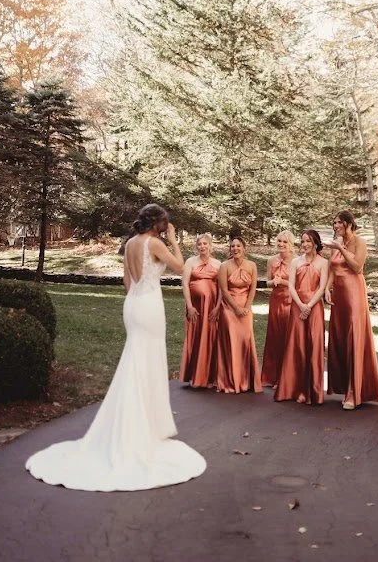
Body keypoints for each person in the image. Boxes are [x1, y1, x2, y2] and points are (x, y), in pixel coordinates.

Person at [26, 204, 206, 490]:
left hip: (133, 303)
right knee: (147, 362)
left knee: (135, 359)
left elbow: (126, 278)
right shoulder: (155, 243)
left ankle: (137, 424)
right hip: (149, 305)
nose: (165, 228)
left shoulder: (131, 242)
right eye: (164, 224)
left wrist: (136, 297)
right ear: (157, 224)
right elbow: (182, 267)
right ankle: (141, 429)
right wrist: (174, 240)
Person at [324, 210, 378, 410]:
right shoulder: (336, 244)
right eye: (334, 223)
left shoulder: (359, 242)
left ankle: (354, 391)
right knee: (340, 337)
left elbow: (357, 267)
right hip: (339, 294)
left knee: (353, 336)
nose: (336, 226)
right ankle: (343, 386)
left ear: (349, 224)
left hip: (354, 293)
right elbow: (333, 270)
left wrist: (340, 248)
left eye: (339, 222)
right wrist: (327, 289)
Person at [274, 230, 328, 405]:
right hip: (297, 306)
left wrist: (309, 306)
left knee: (314, 346)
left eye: (308, 241)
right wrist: (301, 305)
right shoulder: (296, 262)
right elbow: (291, 286)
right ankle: (295, 389)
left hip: (315, 307)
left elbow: (321, 288)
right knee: (297, 346)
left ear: (315, 243)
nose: (305, 244)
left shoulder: (324, 263)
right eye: (303, 241)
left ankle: (313, 391)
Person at [215, 236, 262, 394]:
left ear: (244, 248)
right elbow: (224, 290)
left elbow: (253, 288)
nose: (235, 248)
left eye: (238, 246)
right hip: (229, 308)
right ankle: (230, 380)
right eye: (232, 246)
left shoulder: (252, 265)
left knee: (245, 340)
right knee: (231, 340)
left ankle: (246, 380)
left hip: (246, 307)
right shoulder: (224, 266)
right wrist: (235, 308)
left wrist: (247, 307)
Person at [180, 233, 222, 388]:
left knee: (211, 337)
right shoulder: (190, 261)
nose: (202, 246)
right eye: (199, 244)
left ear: (210, 245)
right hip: (195, 306)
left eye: (205, 244)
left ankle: (209, 377)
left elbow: (222, 288)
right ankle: (194, 375)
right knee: (195, 337)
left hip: (211, 306)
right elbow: (185, 284)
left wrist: (218, 307)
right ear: (196, 246)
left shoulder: (218, 264)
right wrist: (189, 306)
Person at [261, 230, 295, 387]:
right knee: (274, 336)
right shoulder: (271, 260)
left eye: (285, 242)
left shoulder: (296, 260)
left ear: (291, 244)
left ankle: (285, 377)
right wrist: (273, 281)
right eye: (279, 241)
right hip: (275, 300)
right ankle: (271, 376)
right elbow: (267, 282)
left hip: (290, 300)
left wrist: (283, 282)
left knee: (287, 336)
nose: (281, 244)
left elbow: (298, 284)